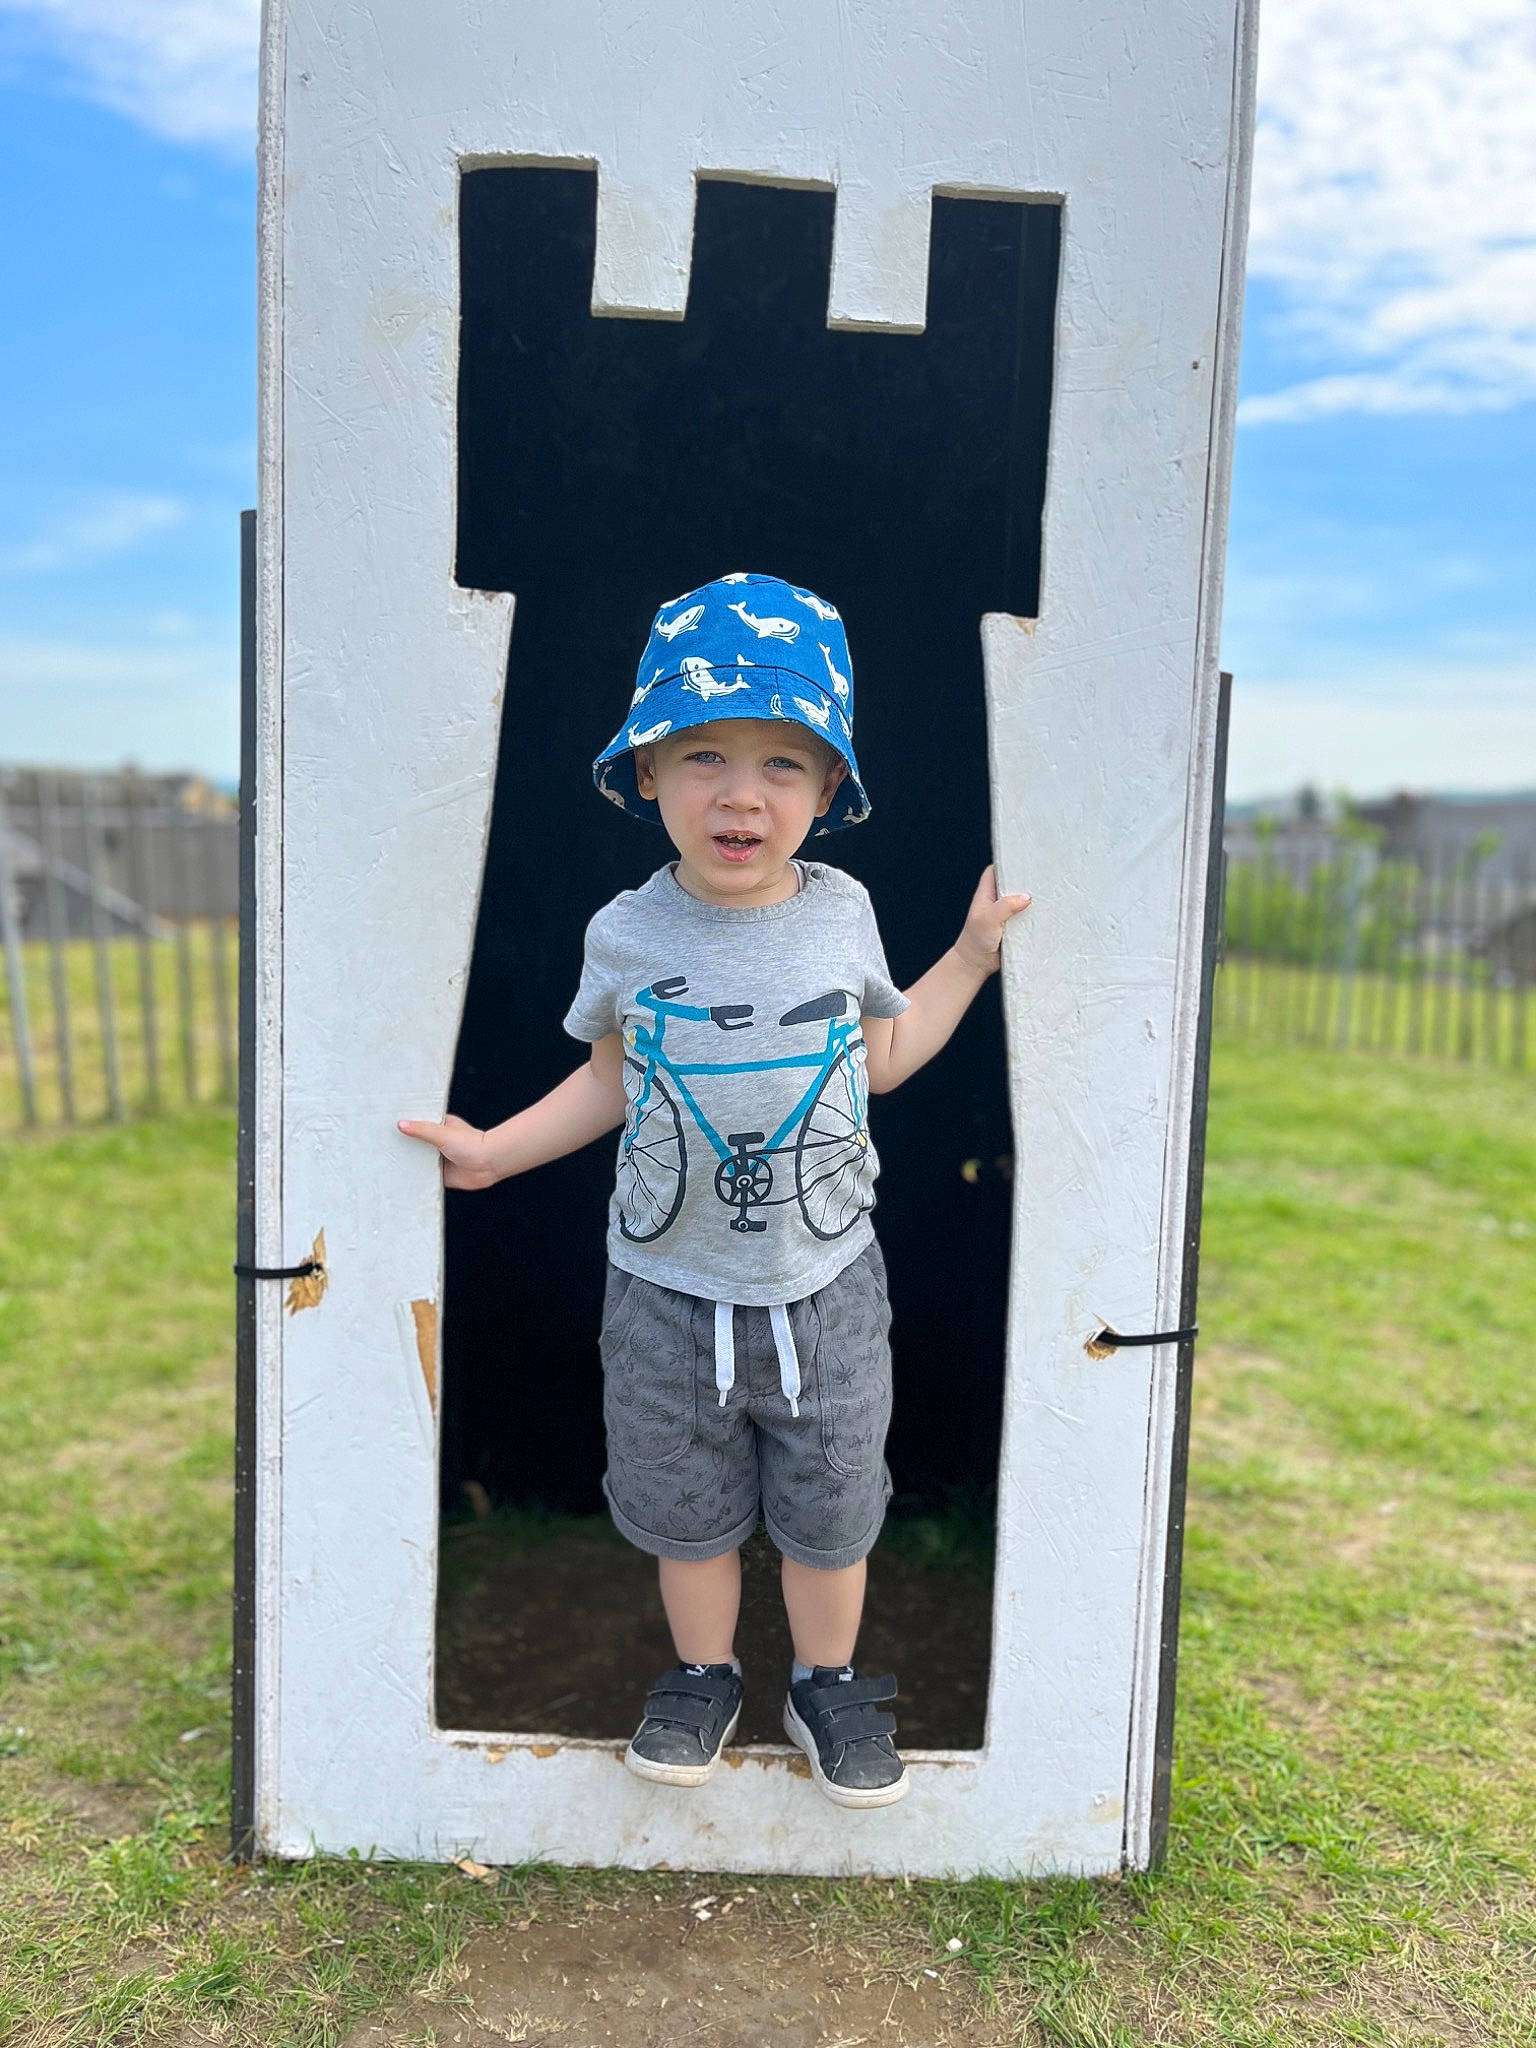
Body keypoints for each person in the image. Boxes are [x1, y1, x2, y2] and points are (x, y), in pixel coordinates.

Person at [399, 571, 1029, 1809]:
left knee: (832, 1500)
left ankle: (827, 1682)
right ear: (644, 772)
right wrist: (492, 1149)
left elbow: (886, 1059)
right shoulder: (625, 933)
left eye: (785, 763)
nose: (742, 791)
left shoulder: (845, 913)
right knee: (684, 1504)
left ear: (831, 789)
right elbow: (610, 1082)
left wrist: (967, 956)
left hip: (827, 1282)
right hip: (666, 1285)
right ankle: (703, 1673)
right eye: (703, 754)